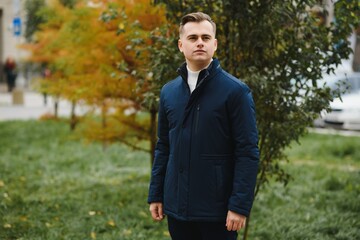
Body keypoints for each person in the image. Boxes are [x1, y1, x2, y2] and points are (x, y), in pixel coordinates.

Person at [148, 12, 259, 240]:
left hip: (217, 213)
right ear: (181, 45)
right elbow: (163, 147)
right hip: (177, 209)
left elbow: (247, 152)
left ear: (214, 44)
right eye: (193, 37)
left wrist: (239, 206)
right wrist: (156, 194)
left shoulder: (236, 92)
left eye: (206, 38)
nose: (200, 42)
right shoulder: (168, 92)